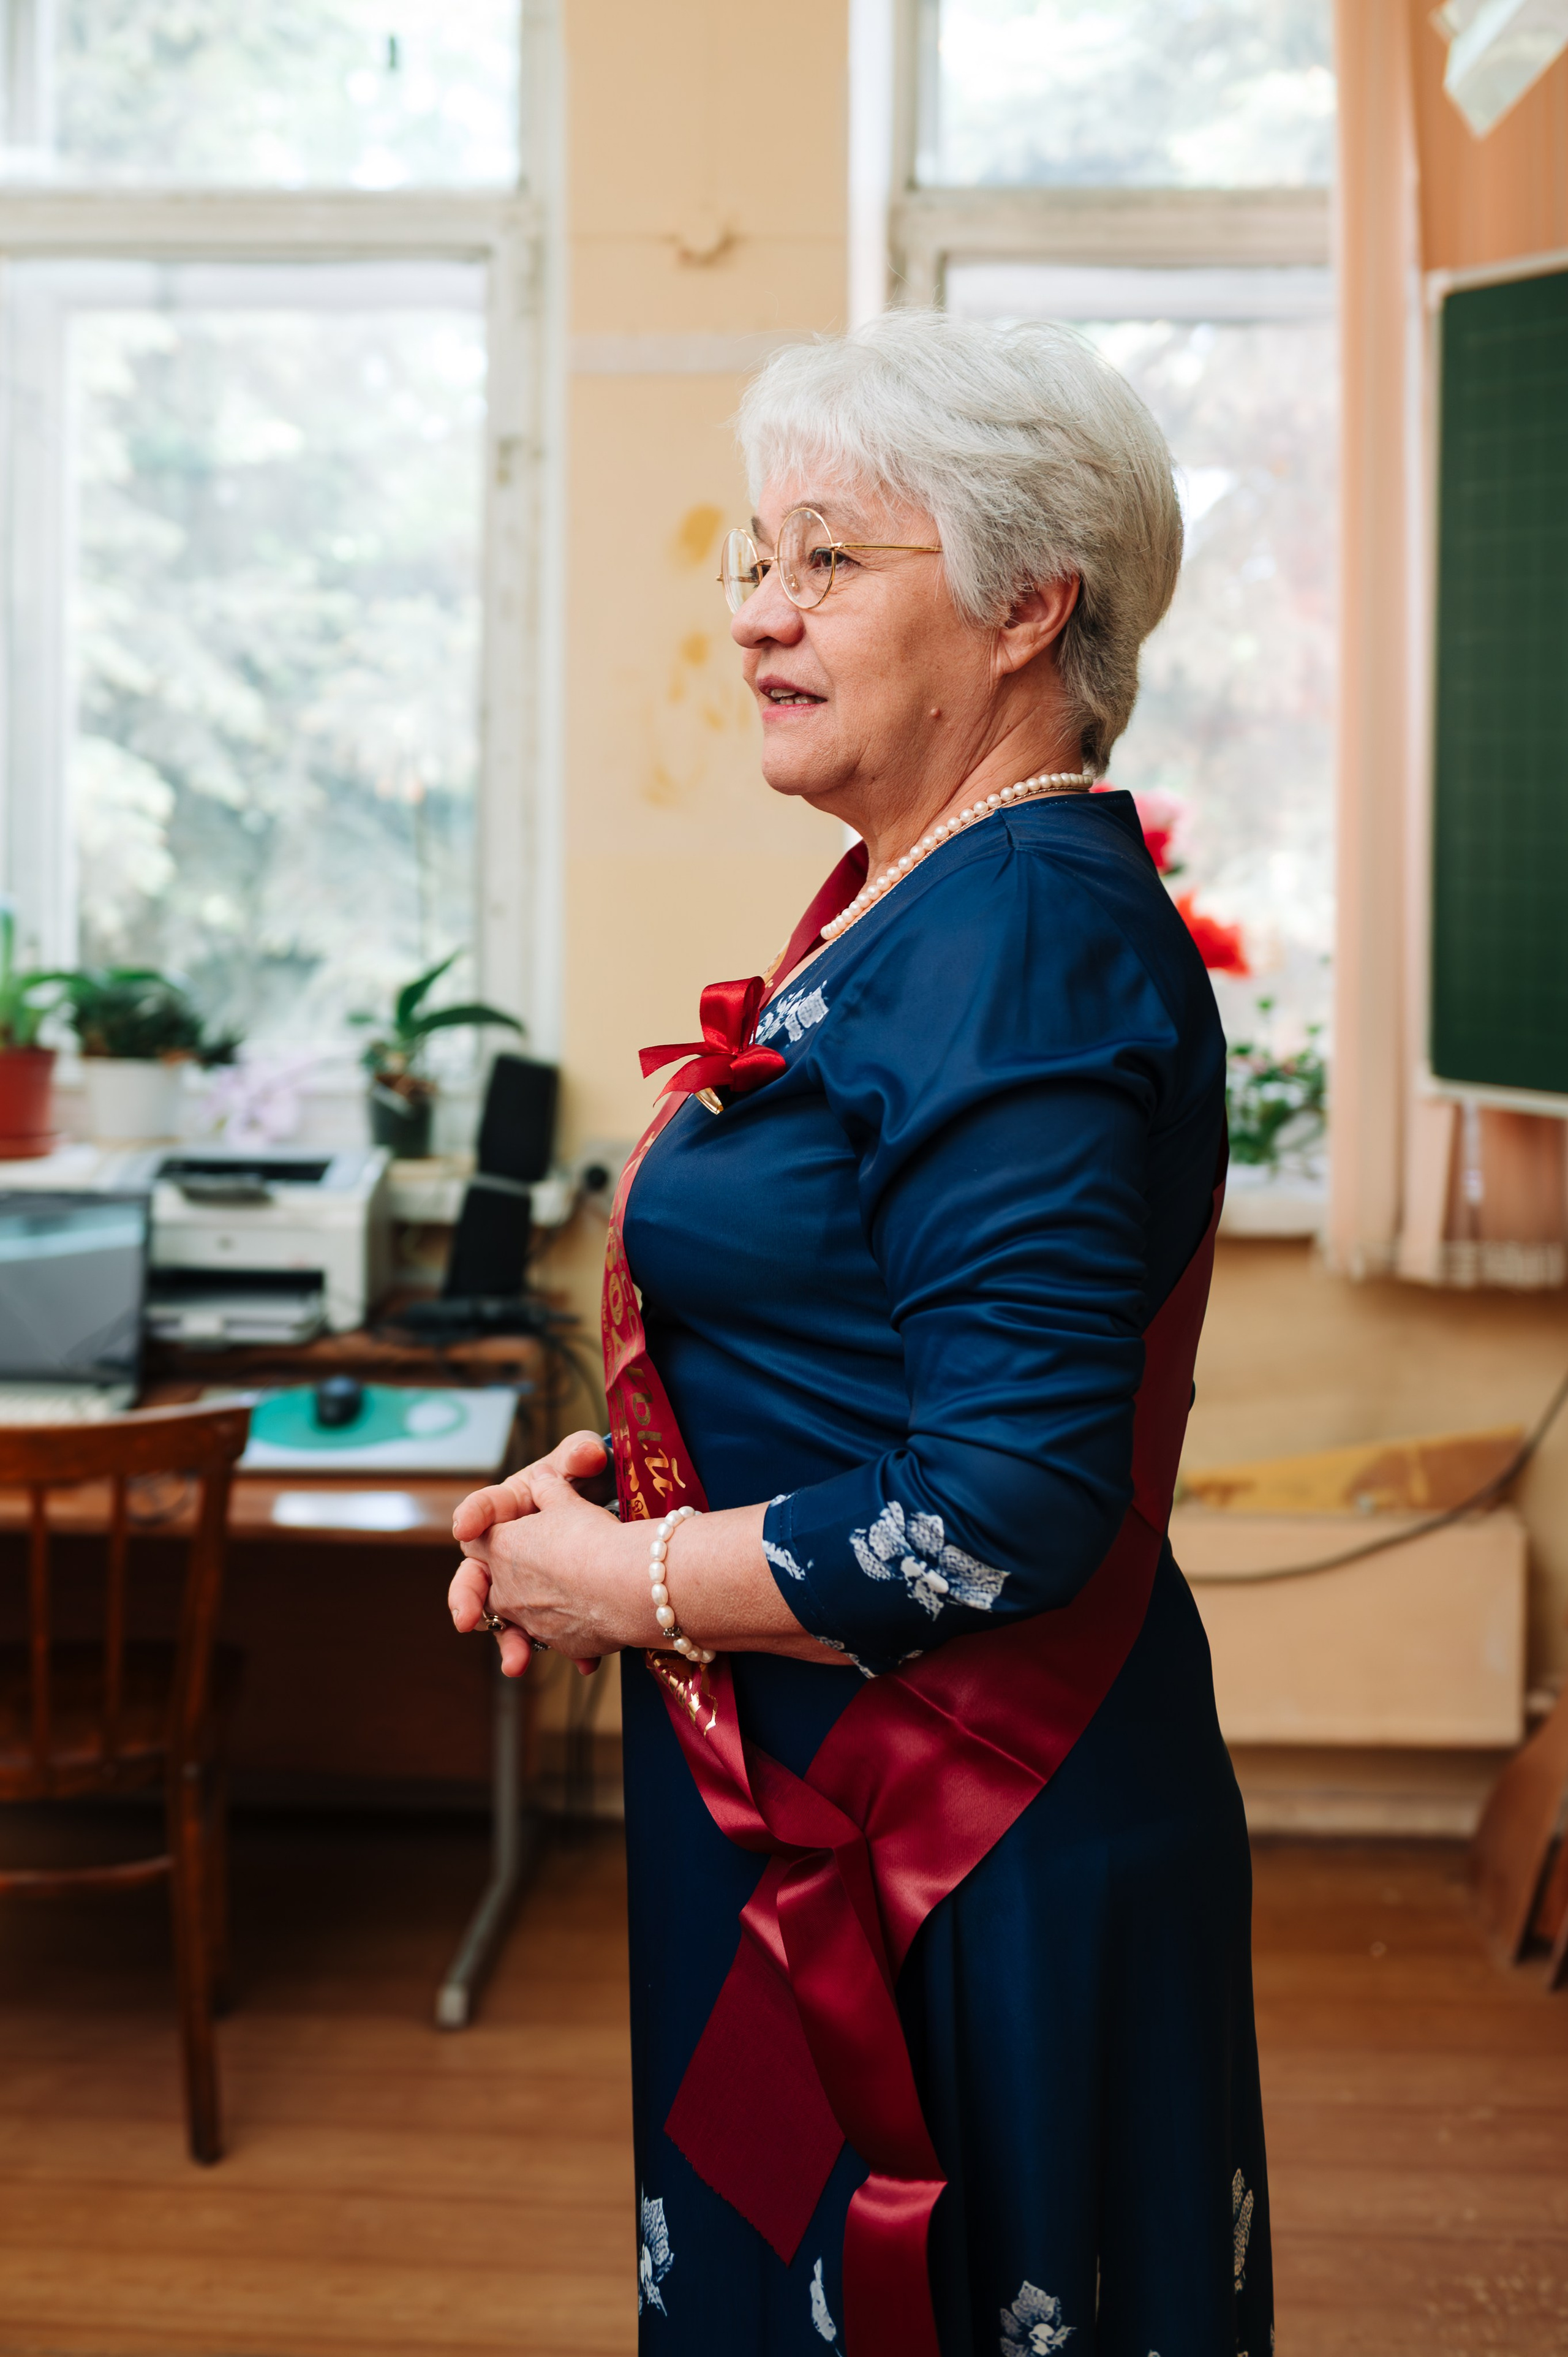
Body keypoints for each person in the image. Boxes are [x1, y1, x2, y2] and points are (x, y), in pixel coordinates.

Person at [448, 309, 1272, 2357]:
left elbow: (1001, 1502)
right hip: (824, 1782)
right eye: (759, 557)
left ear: (1027, 604)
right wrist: (623, 1490)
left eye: (827, 558)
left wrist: (628, 1581)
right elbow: (846, 1333)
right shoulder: (924, 893)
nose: (758, 612)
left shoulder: (1025, 937)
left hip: (972, 1833)